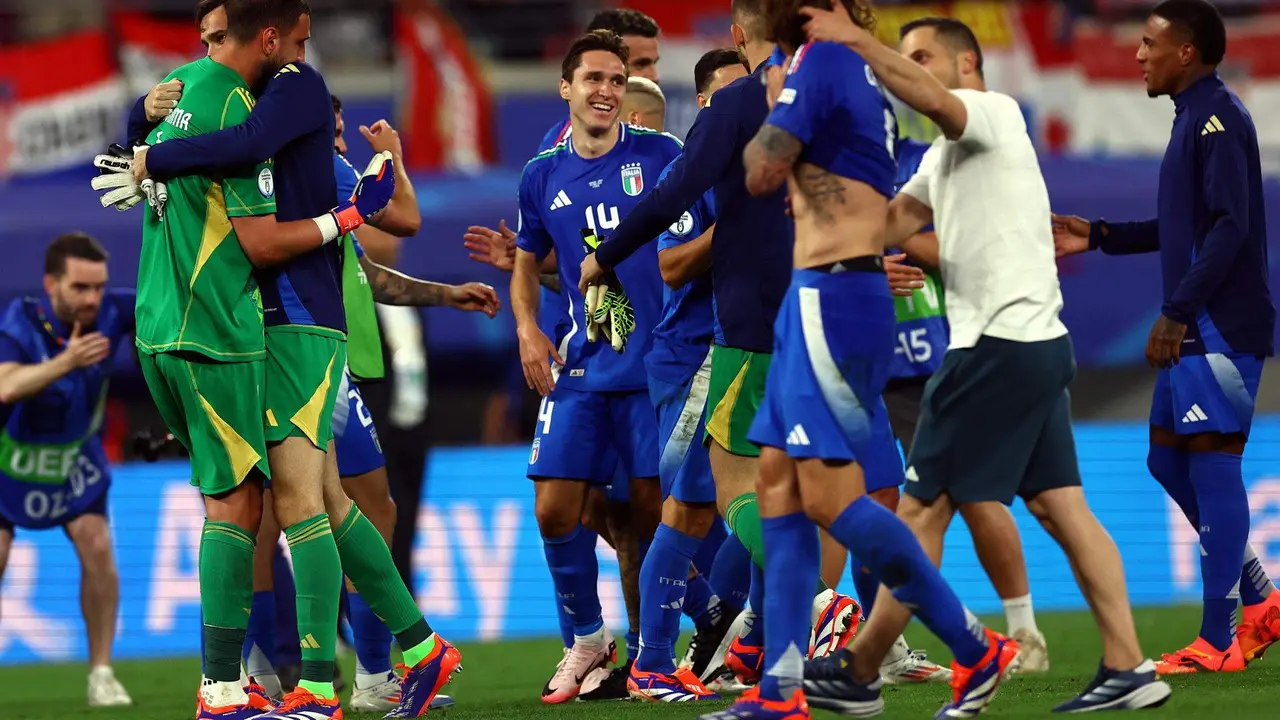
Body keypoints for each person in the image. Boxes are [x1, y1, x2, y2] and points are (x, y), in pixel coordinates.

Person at [801, 5, 1172, 713]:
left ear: (965, 64)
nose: (911, 71)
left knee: (919, 512)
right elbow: (888, 229)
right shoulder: (942, 158)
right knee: (1062, 508)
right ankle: (1130, 665)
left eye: (923, 56)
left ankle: (860, 667)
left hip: (992, 349)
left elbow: (934, 100)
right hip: (1035, 348)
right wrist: (820, 206)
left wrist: (856, 41)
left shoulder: (990, 111)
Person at [122, 1, 459, 717]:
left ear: (256, 35)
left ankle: (316, 684)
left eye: (218, 38)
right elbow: (234, 142)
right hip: (265, 321)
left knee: (304, 502)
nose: (206, 52)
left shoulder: (293, 88)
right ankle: (422, 649)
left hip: (300, 321)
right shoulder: (217, 94)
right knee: (325, 503)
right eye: (203, 38)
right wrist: (137, 119)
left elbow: (253, 147)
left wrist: (153, 151)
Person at [577, 0, 860, 682]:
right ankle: (697, 659)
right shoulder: (836, 93)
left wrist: (605, 255)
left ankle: (817, 605)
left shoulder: (737, 104)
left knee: (730, 483)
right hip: (831, 309)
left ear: (740, 36)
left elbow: (672, 194)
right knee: (712, 499)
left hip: (744, 326)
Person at [1053, 0, 1280, 674]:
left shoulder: (1217, 119)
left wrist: (1178, 310)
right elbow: (1186, 225)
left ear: (1187, 52)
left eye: (1150, 42)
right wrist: (1100, 234)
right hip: (1197, 325)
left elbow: (1231, 228)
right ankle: (1262, 603)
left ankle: (1217, 641)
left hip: (1218, 326)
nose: (1138, 53)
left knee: (1211, 463)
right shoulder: (1194, 118)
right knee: (1166, 462)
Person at [511, 29, 682, 704]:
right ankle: (588, 636)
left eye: (617, 80)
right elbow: (528, 261)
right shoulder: (540, 174)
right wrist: (526, 326)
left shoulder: (664, 156)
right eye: (594, 79)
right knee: (555, 511)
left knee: (652, 515)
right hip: (580, 367)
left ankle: (663, 648)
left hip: (655, 369)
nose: (607, 90)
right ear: (567, 89)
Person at [876, 43, 1049, 677]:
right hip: (863, 363)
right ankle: (882, 648)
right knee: (876, 503)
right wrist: (865, 263)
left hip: (933, 359)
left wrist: (896, 250)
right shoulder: (846, 172)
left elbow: (959, 249)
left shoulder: (936, 157)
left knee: (967, 500)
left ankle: (1014, 634)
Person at [625, 48, 748, 703]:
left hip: (748, 350)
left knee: (774, 496)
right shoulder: (690, 174)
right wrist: (742, 223)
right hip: (696, 358)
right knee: (691, 508)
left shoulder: (760, 170)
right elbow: (673, 265)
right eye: (730, 94)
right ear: (704, 104)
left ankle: (734, 638)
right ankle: (656, 659)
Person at [0, 234, 133, 709]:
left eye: (98, 287)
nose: (92, 299)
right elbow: (6, 386)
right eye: (80, 288)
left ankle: (101, 673)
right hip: (10, 461)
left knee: (98, 547)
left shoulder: (115, 311)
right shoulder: (20, 321)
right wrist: (66, 362)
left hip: (74, 459)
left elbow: (171, 316)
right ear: (51, 284)